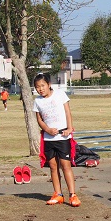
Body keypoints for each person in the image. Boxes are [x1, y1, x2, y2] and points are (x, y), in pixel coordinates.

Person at [32, 73, 80, 207]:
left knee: (66, 166)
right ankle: (58, 194)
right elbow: (39, 119)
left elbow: (67, 112)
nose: (40, 89)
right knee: (53, 167)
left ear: (49, 85)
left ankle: (72, 195)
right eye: (37, 87)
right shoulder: (37, 101)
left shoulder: (60, 94)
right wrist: (47, 130)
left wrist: (69, 128)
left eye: (42, 86)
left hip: (62, 137)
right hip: (49, 139)